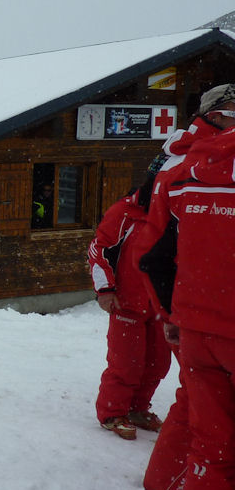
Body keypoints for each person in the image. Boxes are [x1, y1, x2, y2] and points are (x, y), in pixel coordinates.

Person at [132, 84, 235, 490]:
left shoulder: (181, 165)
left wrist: (171, 311)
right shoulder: (184, 162)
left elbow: (154, 249)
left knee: (209, 445)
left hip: (195, 321)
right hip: (208, 318)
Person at [88, 161, 172, 441]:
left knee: (158, 363)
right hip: (126, 302)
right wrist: (105, 290)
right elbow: (99, 250)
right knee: (126, 362)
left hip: (161, 304)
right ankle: (113, 412)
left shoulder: (173, 213)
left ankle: (137, 408)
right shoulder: (125, 212)